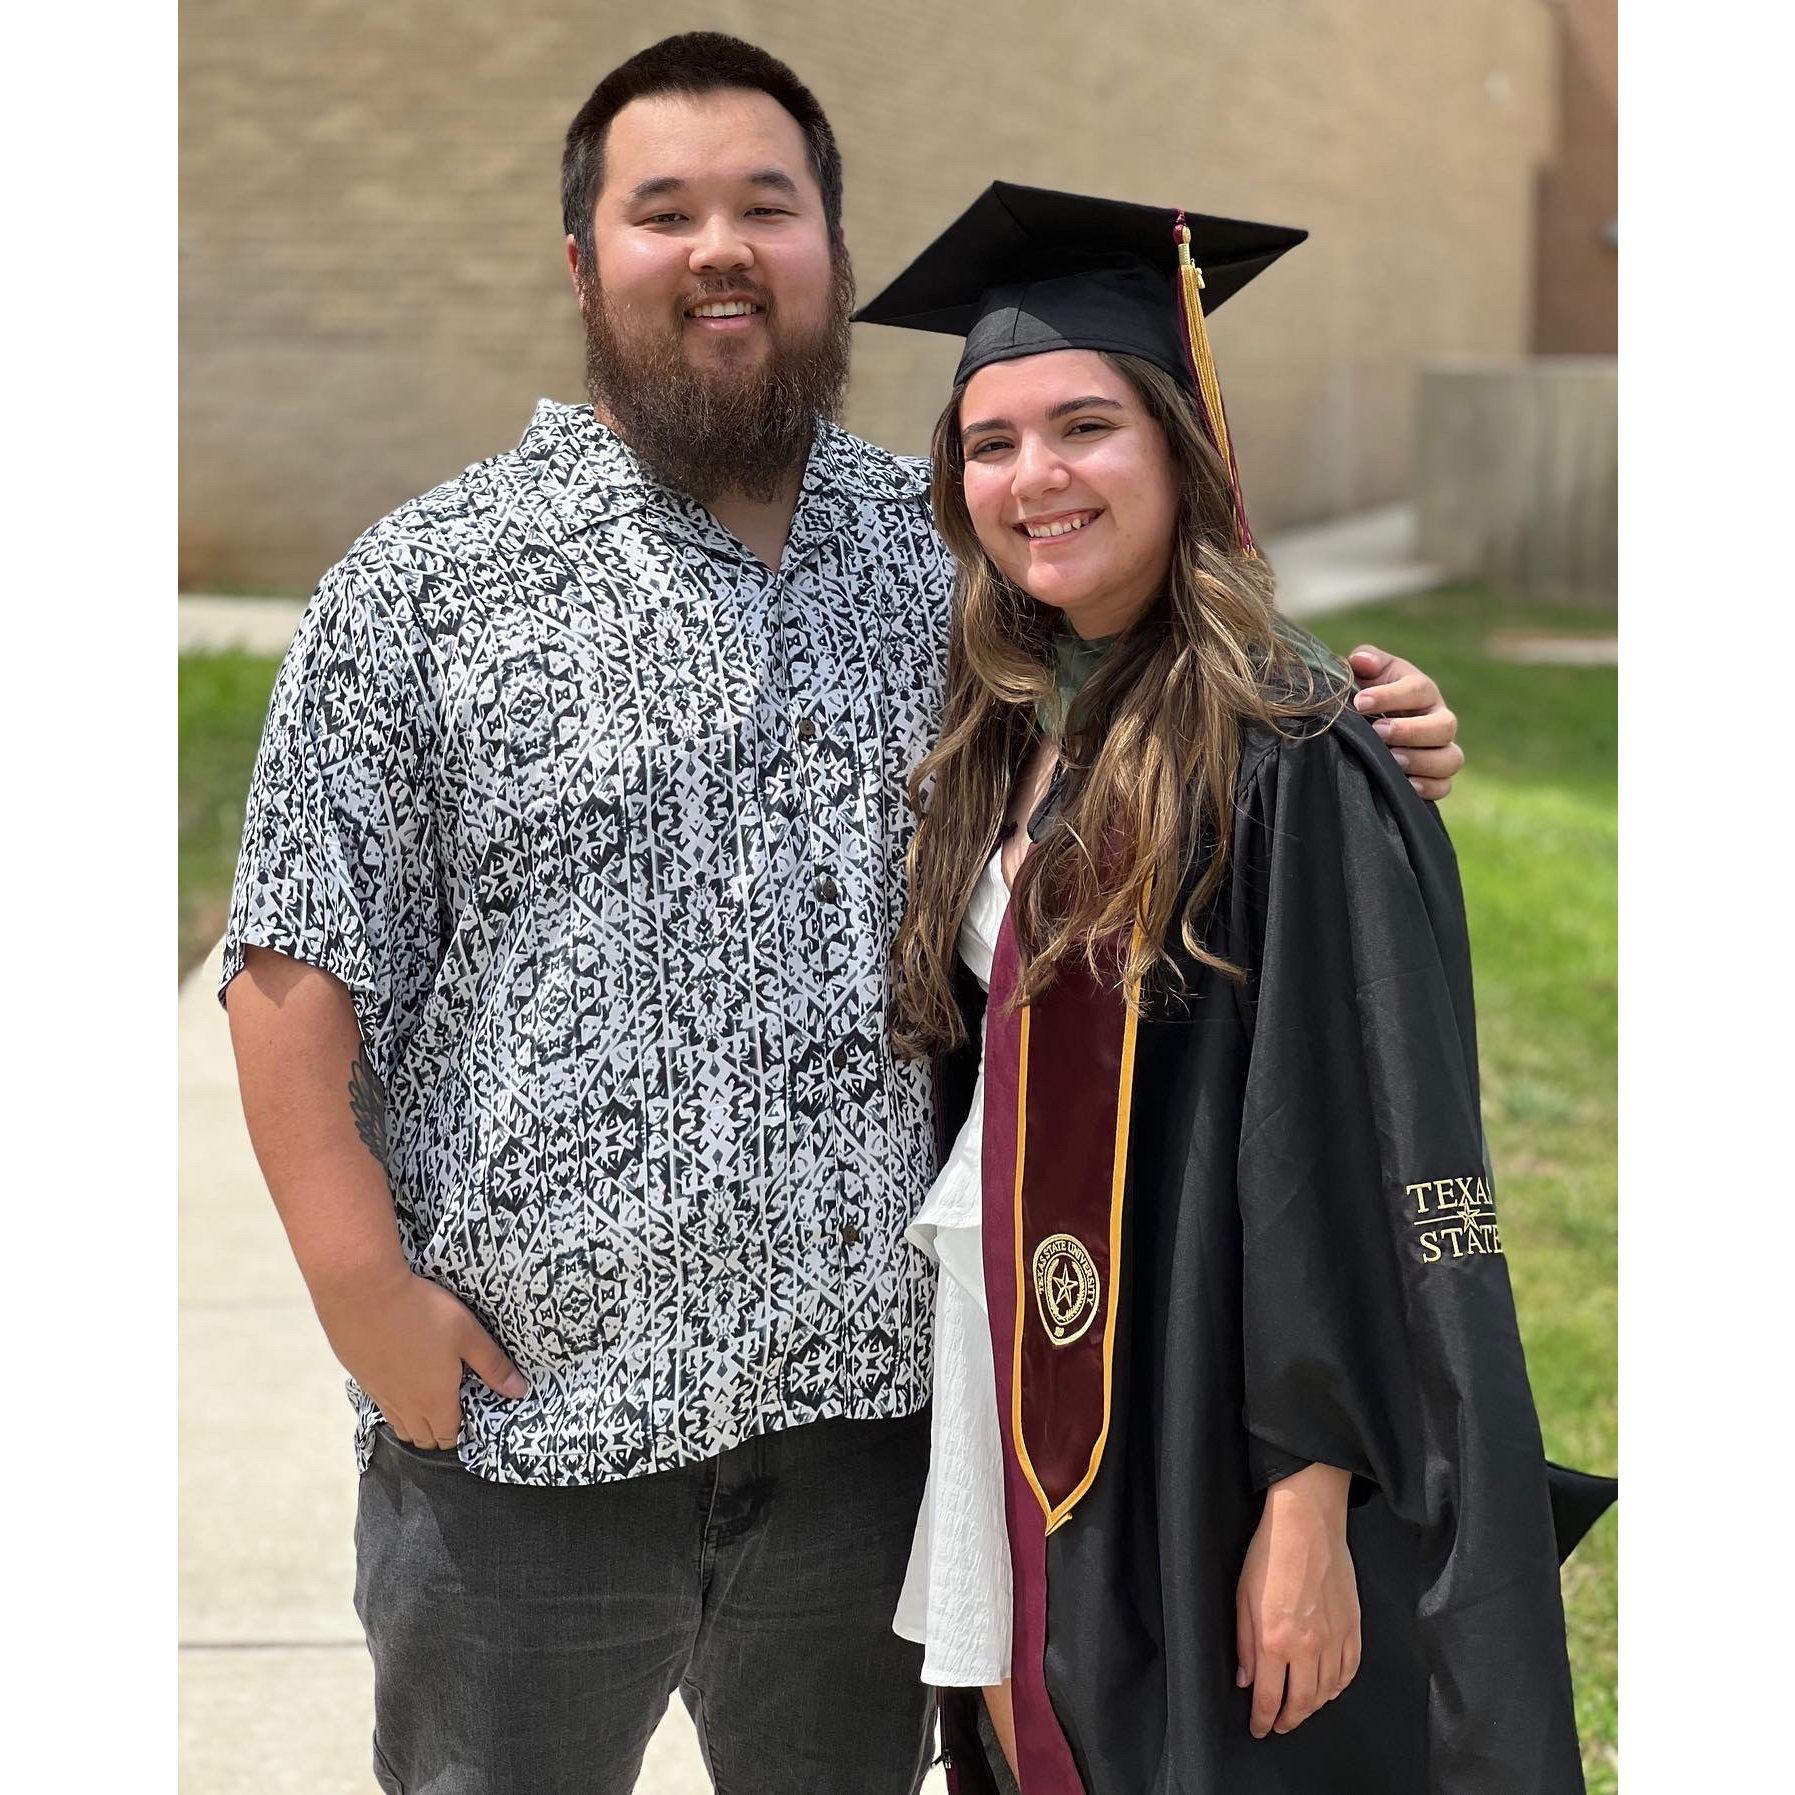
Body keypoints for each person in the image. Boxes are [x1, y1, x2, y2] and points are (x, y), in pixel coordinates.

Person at [219, 39, 1469, 1795]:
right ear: (586, 264)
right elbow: (291, 970)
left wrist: (1358, 731)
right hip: (522, 1454)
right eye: (665, 212)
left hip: (872, 1451)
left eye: (767, 207)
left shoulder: (951, 551)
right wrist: (366, 1304)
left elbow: (1169, 723)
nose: (720, 246)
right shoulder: (423, 586)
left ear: (832, 252)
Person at [863, 184, 1615, 1793]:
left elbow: (1352, 1134)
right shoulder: (1001, 730)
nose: (1034, 478)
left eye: (1084, 426)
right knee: (1027, 1727)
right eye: (991, 445)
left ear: (1184, 449)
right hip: (1014, 1343)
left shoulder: (1292, 752)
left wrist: (1310, 1500)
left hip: (1205, 1383)